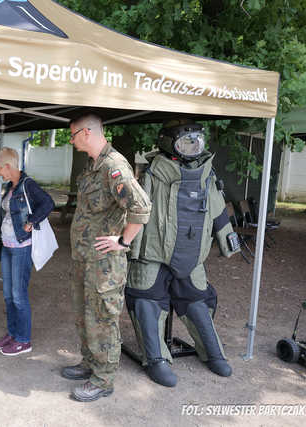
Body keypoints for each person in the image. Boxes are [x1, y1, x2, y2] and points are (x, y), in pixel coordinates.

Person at [125, 120, 239, 388]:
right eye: (185, 142)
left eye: (196, 141)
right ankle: (156, 359)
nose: (192, 147)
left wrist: (228, 241)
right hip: (152, 255)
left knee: (197, 301)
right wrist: (129, 247)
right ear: (168, 143)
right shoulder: (153, 174)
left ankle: (213, 353)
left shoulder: (206, 175)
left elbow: (217, 209)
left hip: (192, 256)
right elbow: (138, 210)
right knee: (146, 301)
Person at [63, 113, 152, 402]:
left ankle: (103, 379)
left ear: (86, 133)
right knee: (83, 315)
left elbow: (141, 207)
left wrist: (123, 241)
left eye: (73, 135)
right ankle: (90, 363)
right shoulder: (93, 165)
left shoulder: (113, 166)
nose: (72, 141)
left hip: (104, 264)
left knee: (102, 318)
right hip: (85, 259)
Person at [0, 147, 55, 356]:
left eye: (0, 168)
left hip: (21, 248)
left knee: (19, 296)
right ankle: (13, 333)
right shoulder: (11, 185)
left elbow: (48, 203)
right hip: (7, 246)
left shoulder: (28, 184)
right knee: (9, 295)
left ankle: (24, 340)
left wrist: (31, 222)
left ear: (8, 166)